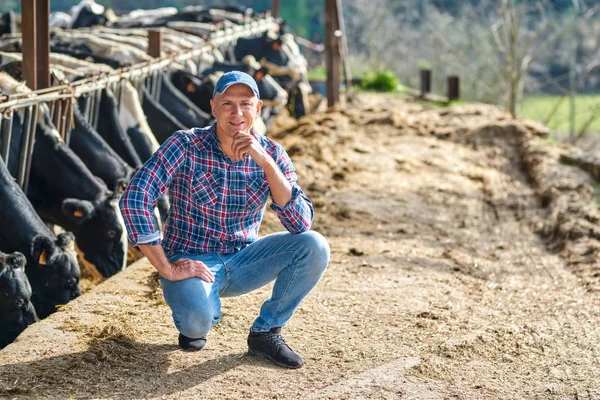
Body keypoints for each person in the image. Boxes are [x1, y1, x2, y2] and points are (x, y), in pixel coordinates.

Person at [119, 71, 330, 369]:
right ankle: (199, 314)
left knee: (314, 245)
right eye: (227, 103)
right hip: (191, 262)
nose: (237, 112)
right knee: (195, 323)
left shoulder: (272, 153)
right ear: (213, 107)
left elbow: (299, 223)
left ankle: (265, 332)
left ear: (258, 109)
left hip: (244, 260)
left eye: (245, 103)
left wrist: (266, 162)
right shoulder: (185, 145)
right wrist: (165, 266)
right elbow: (135, 197)